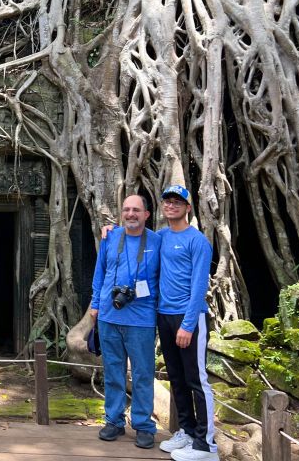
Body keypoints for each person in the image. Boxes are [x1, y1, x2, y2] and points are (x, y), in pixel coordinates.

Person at [90, 194, 161, 450]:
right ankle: (114, 420)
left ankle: (143, 425)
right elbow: (99, 272)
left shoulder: (157, 241)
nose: (131, 214)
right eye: (127, 210)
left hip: (141, 319)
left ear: (146, 215)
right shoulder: (110, 237)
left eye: (136, 210)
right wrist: (95, 305)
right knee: (113, 371)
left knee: (143, 373)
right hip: (109, 316)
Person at [156, 185, 218, 461]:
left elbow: (198, 287)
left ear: (188, 208)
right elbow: (133, 237)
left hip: (188, 316)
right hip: (164, 315)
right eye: (167, 201)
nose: (172, 205)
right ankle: (187, 431)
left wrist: (188, 324)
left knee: (196, 379)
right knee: (177, 377)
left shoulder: (198, 241)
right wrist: (108, 233)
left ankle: (207, 445)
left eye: (178, 202)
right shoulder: (160, 237)